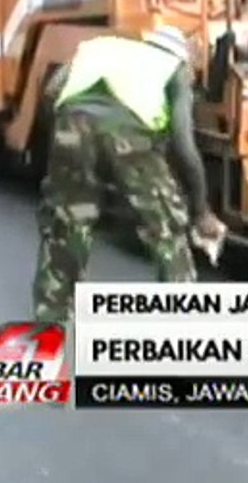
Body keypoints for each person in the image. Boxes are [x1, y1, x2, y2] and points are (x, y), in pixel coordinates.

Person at [32, 24, 226, 322]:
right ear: (183, 58)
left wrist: (67, 140)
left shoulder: (100, 47)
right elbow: (184, 144)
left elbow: (52, 92)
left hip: (72, 124)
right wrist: (201, 210)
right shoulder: (174, 68)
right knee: (166, 231)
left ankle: (52, 321)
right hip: (131, 137)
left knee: (67, 226)